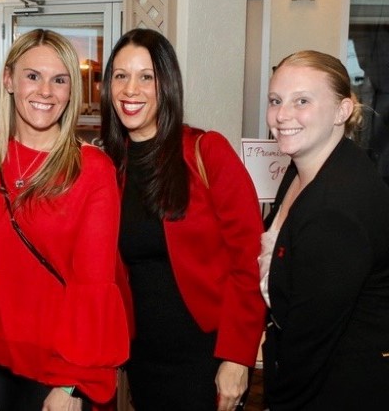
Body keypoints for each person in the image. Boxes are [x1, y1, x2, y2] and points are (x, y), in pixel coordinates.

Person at [100, 28, 265, 411]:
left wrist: (237, 357)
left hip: (206, 356)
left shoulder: (207, 151)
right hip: (141, 357)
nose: (130, 89)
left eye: (146, 77)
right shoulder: (108, 165)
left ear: (167, 84)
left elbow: (249, 261)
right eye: (121, 76)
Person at [0, 28, 130, 411]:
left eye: (60, 80)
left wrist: (71, 382)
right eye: (32, 76)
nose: (46, 92)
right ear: (9, 80)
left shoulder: (91, 170)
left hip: (55, 365)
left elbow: (94, 283)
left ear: (72, 91)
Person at [261, 50, 389, 410]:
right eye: (276, 100)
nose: (282, 115)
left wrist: (278, 400)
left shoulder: (335, 207)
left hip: (337, 389)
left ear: (342, 111)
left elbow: (310, 345)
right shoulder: (303, 166)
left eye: (301, 100)